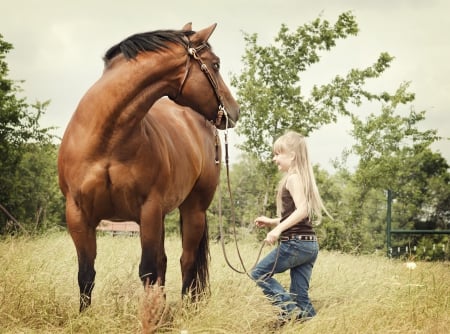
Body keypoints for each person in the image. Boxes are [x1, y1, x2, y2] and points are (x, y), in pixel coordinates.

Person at [250, 131, 331, 322]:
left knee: (259, 273)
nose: (274, 158)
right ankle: (310, 324)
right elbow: (296, 216)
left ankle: (288, 309)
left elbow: (302, 210)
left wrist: (277, 230)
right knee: (300, 297)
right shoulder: (300, 178)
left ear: (292, 155)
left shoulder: (293, 179)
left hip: (294, 244)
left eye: (278, 154)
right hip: (309, 245)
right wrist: (272, 222)